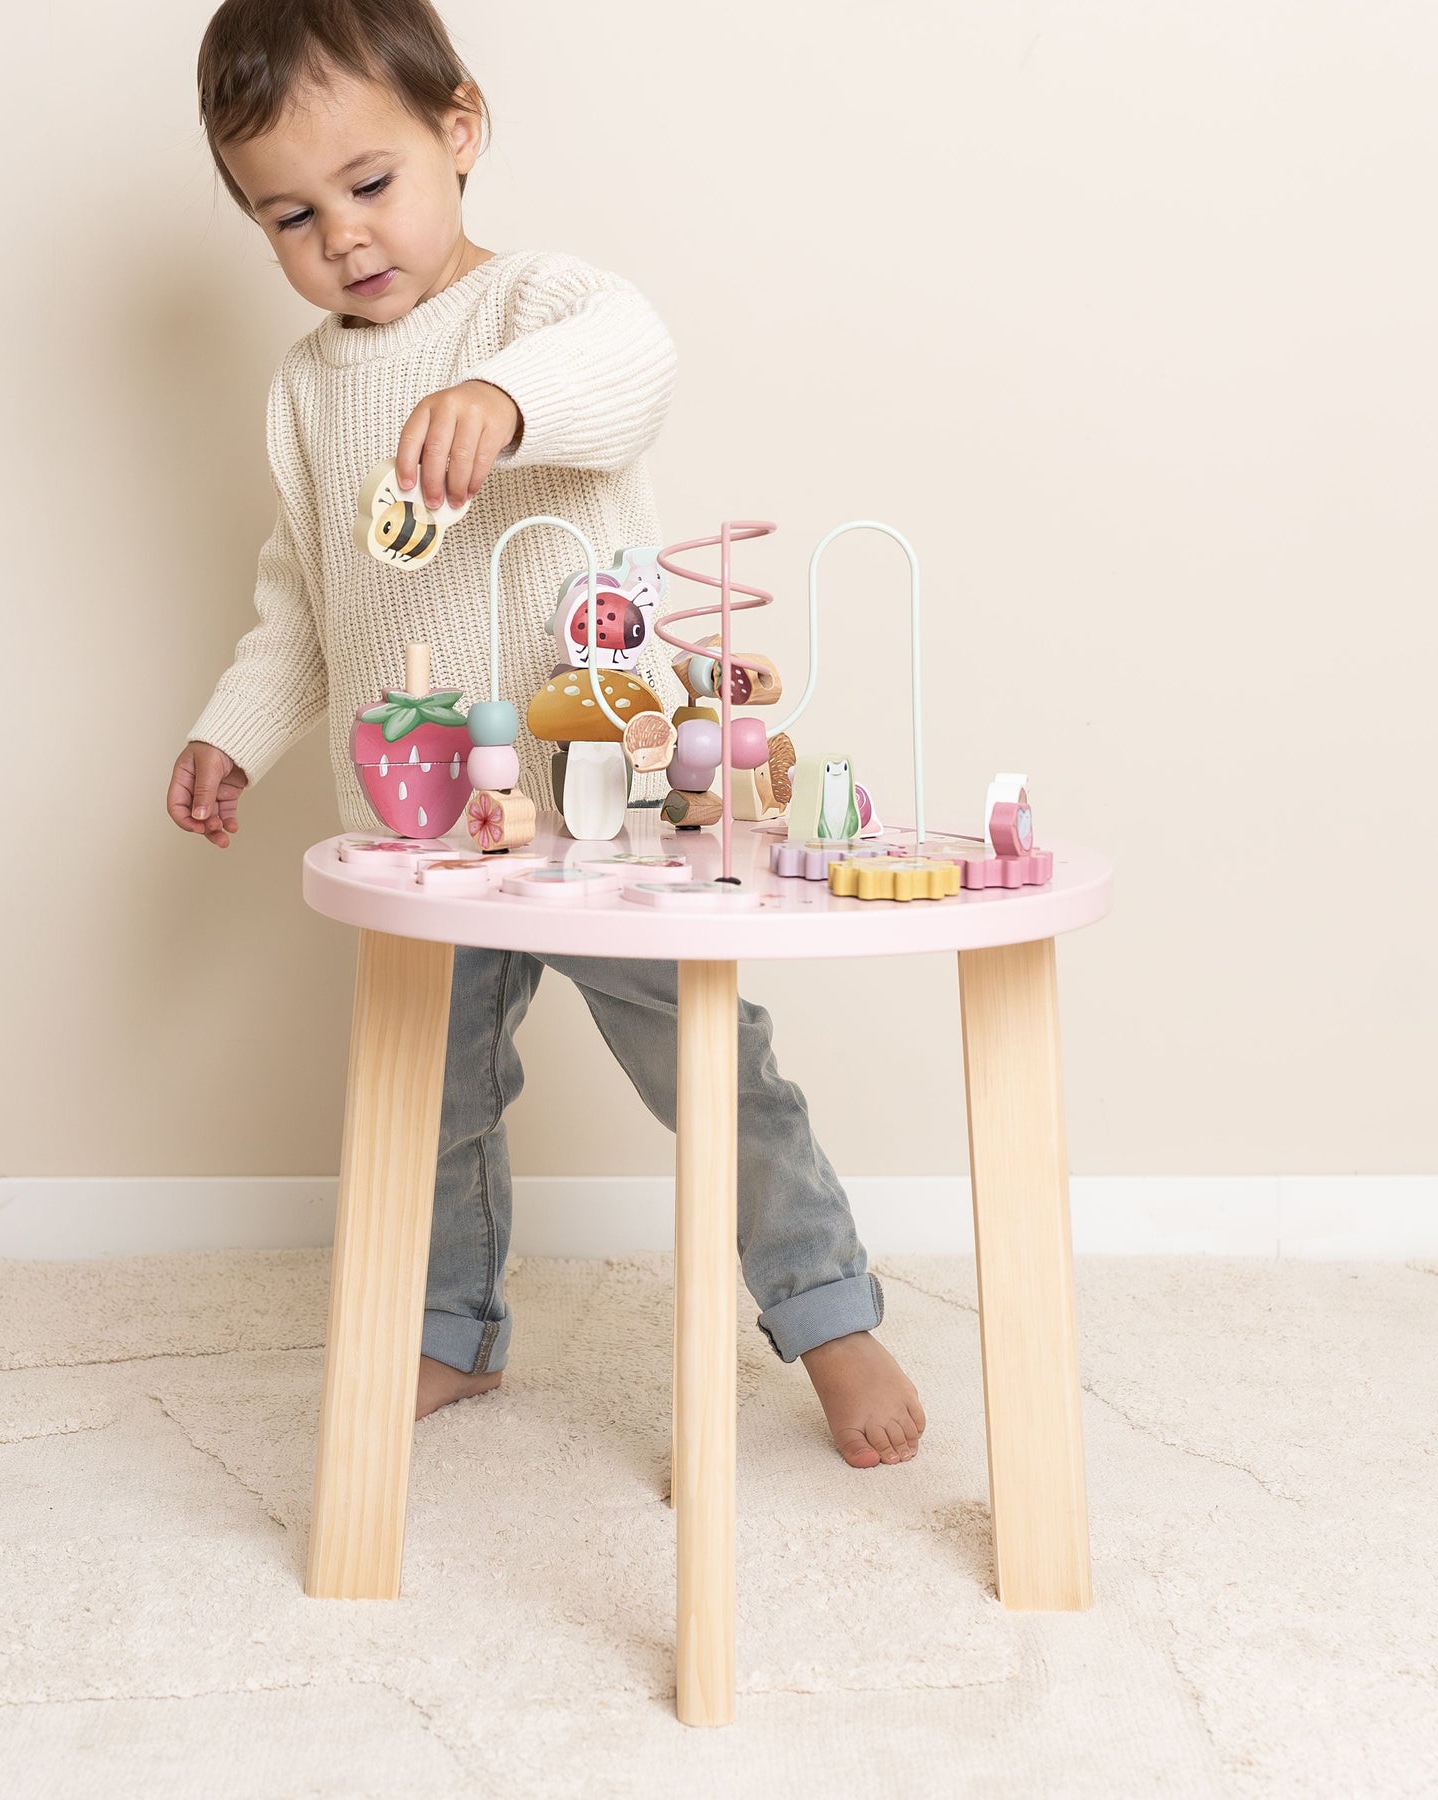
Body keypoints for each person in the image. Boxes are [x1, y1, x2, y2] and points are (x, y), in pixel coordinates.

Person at [166, 0, 925, 1466]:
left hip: (604, 808)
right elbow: (305, 601)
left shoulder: (541, 310)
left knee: (711, 1065)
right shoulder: (308, 389)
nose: (343, 237)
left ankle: (827, 1309)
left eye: (371, 183)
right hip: (424, 835)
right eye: (291, 217)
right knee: (431, 1097)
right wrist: (230, 734)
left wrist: (503, 400)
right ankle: (450, 1334)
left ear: (458, 128)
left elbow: (633, 366)